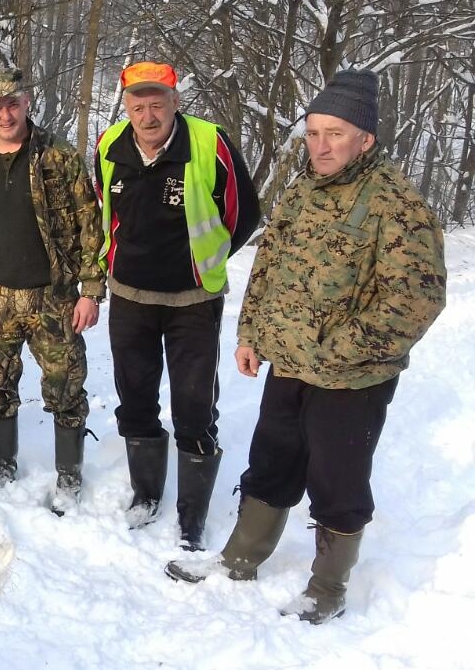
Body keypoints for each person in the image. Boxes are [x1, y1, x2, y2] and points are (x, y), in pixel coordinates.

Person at [166, 69, 446, 623]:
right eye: (314, 132)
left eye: (335, 133)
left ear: (365, 138)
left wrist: (339, 349)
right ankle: (240, 560)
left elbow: (416, 301)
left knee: (337, 482)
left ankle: (328, 588)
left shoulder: (397, 204)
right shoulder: (302, 191)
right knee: (270, 464)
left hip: (351, 379)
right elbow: (267, 267)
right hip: (289, 366)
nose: (321, 145)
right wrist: (252, 336)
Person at [95, 61, 260, 548]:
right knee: (137, 398)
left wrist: (202, 260)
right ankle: (146, 494)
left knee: (193, 405)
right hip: (129, 298)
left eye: (157, 103)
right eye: (137, 105)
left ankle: (192, 514)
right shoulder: (109, 146)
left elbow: (243, 212)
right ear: (126, 107)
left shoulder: (210, 143)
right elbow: (105, 210)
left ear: (175, 102)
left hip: (193, 299)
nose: (148, 115)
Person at [0, 68, 105, 513]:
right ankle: (3, 468)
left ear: (27, 101)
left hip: (52, 294)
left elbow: (88, 222)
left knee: (65, 384)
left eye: (12, 104)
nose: (5, 114)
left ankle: (69, 476)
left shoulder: (58, 157)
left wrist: (90, 289)